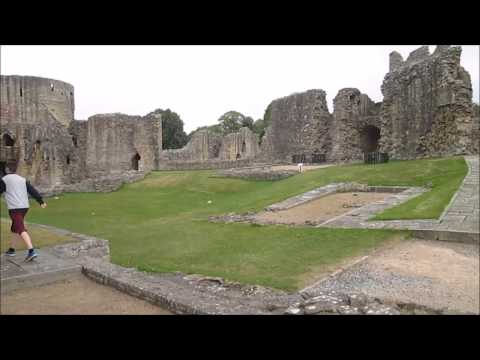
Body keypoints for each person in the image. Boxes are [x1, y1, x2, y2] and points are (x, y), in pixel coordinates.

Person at [0, 163, 47, 261]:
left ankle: (31, 251)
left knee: (20, 228)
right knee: (14, 227)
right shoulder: (22, 179)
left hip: (15, 208)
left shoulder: (4, 180)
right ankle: (12, 249)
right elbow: (32, 190)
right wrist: (41, 201)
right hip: (25, 207)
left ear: (6, 170)